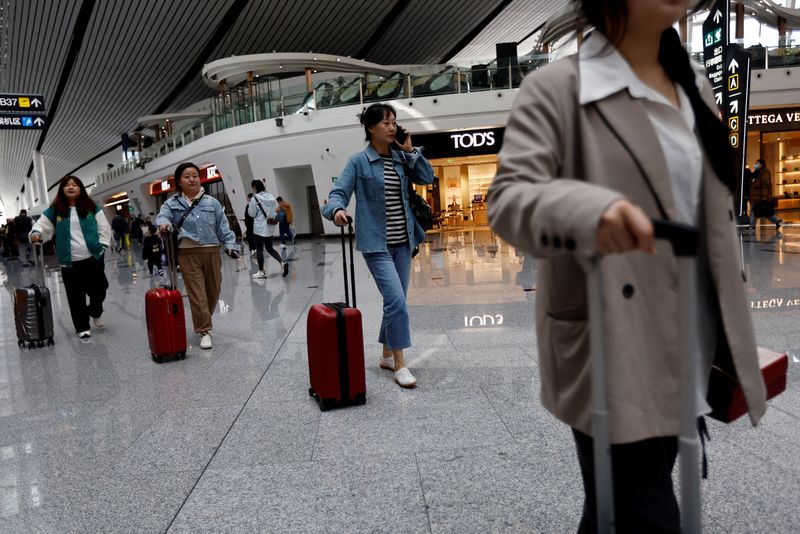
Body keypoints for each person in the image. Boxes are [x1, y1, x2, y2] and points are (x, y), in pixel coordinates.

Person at [487, 1, 767, 532]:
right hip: (608, 341)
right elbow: (508, 200)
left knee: (617, 509)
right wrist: (588, 212)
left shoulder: (694, 86)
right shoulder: (557, 90)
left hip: (687, 337)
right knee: (647, 515)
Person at [322, 103, 434, 388]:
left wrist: (409, 150)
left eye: (394, 122)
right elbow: (338, 193)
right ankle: (400, 363)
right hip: (376, 245)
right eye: (385, 122)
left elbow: (427, 177)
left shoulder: (400, 159)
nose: (392, 127)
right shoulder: (358, 162)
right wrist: (336, 211)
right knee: (396, 301)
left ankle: (384, 355)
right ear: (370, 127)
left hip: (404, 243)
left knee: (394, 302)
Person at [156, 162, 240, 349]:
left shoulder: (212, 202)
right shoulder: (171, 203)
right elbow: (162, 218)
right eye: (187, 176)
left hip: (211, 250)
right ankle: (204, 330)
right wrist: (163, 225)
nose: (192, 179)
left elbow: (223, 226)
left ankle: (203, 320)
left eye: (195, 175)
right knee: (197, 294)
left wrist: (231, 245)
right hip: (187, 253)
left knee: (213, 291)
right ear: (179, 181)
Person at [29, 176, 111, 339]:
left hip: (93, 257)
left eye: (74, 185)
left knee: (100, 289)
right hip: (70, 262)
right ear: (62, 190)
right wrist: (36, 233)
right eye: (67, 185)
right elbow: (41, 224)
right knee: (75, 295)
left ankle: (95, 311)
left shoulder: (91, 206)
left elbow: (104, 226)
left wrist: (102, 245)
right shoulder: (56, 210)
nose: (71, 187)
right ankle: (82, 327)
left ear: (81, 188)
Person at [247, 180, 289, 279]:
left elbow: (251, 214)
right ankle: (282, 263)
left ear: (255, 187)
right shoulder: (271, 197)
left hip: (259, 228)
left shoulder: (254, 198)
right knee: (270, 248)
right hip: (269, 227)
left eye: (252, 187)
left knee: (259, 249)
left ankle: (261, 271)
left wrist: (250, 205)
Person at [749, 158, 783, 231]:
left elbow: (765, 185)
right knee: (761, 212)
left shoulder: (765, 172)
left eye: (757, 163)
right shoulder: (757, 172)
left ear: (761, 164)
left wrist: (764, 196)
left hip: (759, 196)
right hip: (755, 195)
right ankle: (777, 221)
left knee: (755, 211)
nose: (755, 165)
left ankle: (752, 227)